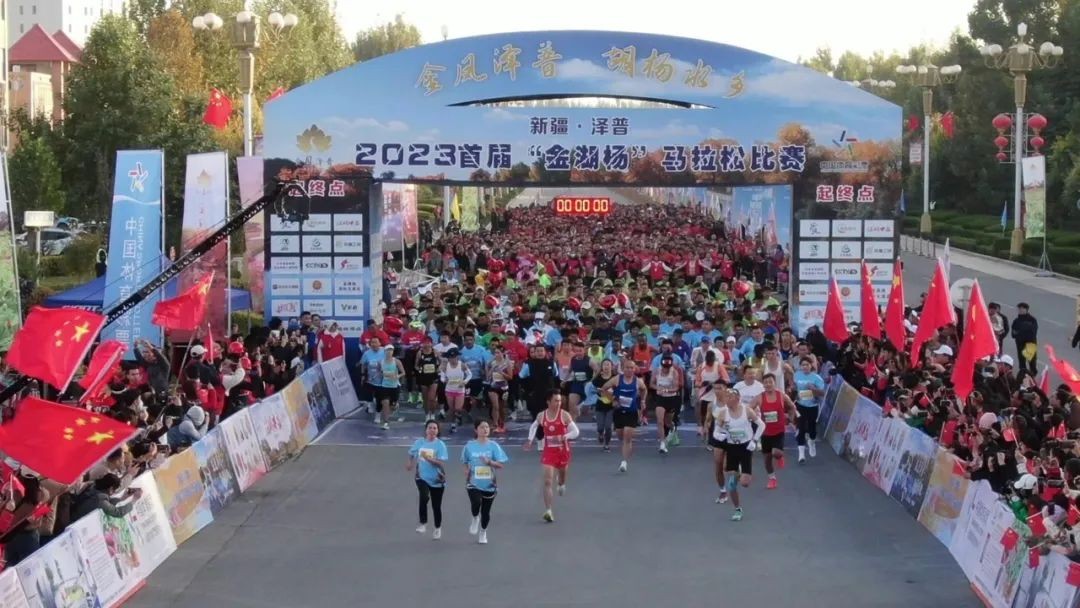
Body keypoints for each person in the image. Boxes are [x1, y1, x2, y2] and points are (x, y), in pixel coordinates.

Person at [526, 389, 581, 522]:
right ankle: (548, 511)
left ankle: (561, 484)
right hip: (549, 451)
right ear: (548, 402)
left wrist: (565, 436)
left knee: (561, 478)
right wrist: (530, 439)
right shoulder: (542, 415)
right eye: (556, 401)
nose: (559, 403)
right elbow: (533, 427)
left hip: (562, 451)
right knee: (547, 481)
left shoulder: (564, 415)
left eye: (560, 401)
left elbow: (576, 432)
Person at [713, 387, 765, 521]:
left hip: (745, 447)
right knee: (731, 484)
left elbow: (762, 425)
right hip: (731, 447)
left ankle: (742, 472)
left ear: (737, 399)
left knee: (745, 483)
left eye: (730, 397)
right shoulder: (723, 413)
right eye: (726, 397)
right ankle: (737, 509)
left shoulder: (747, 410)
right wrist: (718, 436)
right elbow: (715, 431)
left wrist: (754, 440)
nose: (727, 399)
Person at [461, 420, 509, 545]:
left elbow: (500, 465)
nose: (485, 429)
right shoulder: (469, 446)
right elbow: (464, 461)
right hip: (473, 482)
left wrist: (490, 462)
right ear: (476, 430)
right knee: (476, 502)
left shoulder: (494, 446)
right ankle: (475, 517)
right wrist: (466, 469)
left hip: (489, 484)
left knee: (486, 511)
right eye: (482, 427)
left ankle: (483, 532)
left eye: (487, 427)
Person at [752, 372, 798, 489]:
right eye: (765, 382)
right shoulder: (759, 397)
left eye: (770, 382)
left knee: (776, 453)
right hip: (765, 432)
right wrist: (754, 416)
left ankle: (780, 456)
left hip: (779, 431)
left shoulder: (781, 395)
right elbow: (748, 409)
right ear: (763, 384)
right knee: (767, 460)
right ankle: (772, 478)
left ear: (774, 383)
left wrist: (791, 418)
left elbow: (792, 406)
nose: (768, 384)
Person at [602, 357, 648, 473]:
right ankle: (627, 445)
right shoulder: (617, 379)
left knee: (627, 435)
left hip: (632, 411)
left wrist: (642, 401)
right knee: (620, 435)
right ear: (623, 369)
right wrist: (613, 400)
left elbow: (644, 389)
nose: (629, 370)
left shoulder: (638, 381)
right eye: (627, 368)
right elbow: (603, 389)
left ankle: (624, 462)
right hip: (619, 411)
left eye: (631, 368)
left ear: (634, 369)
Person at [408, 421, 448, 539]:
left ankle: (437, 528)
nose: (432, 430)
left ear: (438, 431)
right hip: (421, 476)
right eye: (430, 428)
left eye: (435, 428)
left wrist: (429, 459)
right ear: (426, 430)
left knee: (436, 505)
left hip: (437, 478)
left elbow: (441, 463)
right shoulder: (419, 442)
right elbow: (411, 453)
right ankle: (423, 523)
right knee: (424, 496)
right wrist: (410, 463)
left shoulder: (440, 445)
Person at [701, 384, 735, 503]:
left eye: (719, 388)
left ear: (725, 389)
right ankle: (723, 492)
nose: (717, 391)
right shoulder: (711, 405)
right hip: (717, 437)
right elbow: (708, 420)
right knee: (718, 466)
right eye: (715, 388)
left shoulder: (731, 403)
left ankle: (736, 472)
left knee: (726, 466)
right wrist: (705, 429)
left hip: (731, 437)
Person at [792, 356, 826, 463]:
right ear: (800, 366)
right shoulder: (797, 375)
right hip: (800, 405)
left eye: (807, 365)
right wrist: (795, 393)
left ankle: (812, 442)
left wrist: (813, 389)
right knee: (801, 428)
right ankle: (801, 454)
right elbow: (794, 388)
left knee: (812, 428)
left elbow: (823, 393)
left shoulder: (816, 378)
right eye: (803, 365)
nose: (805, 367)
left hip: (812, 406)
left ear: (811, 366)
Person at [650, 354, 684, 454]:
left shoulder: (674, 372)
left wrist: (666, 390)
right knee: (660, 421)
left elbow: (676, 387)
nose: (666, 370)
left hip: (671, 398)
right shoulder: (656, 371)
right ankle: (662, 442)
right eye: (664, 368)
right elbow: (651, 384)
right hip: (660, 398)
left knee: (668, 422)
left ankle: (672, 428)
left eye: (667, 368)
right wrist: (658, 388)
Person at [440, 347, 471, 433]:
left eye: (454, 357)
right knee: (451, 409)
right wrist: (444, 380)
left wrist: (464, 382)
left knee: (458, 408)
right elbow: (442, 377)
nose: (452, 359)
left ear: (457, 357)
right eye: (450, 357)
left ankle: (459, 415)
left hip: (460, 390)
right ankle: (453, 425)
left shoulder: (462, 365)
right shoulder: (445, 366)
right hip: (449, 390)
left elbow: (469, 375)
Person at [486, 345, 514, 433]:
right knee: (495, 406)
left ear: (503, 353)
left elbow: (510, 377)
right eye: (495, 353)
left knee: (501, 407)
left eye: (498, 353)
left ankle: (502, 423)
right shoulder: (492, 362)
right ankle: (495, 424)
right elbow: (487, 376)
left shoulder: (507, 363)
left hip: (503, 387)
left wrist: (501, 372)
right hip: (493, 386)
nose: (496, 355)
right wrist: (491, 370)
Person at [591, 359, 618, 451]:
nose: (606, 366)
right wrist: (598, 391)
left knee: (608, 427)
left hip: (611, 406)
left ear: (612, 366)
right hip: (600, 405)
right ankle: (600, 434)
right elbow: (592, 389)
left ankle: (607, 444)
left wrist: (615, 398)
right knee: (600, 427)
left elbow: (618, 390)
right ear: (602, 367)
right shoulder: (597, 379)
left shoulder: (615, 378)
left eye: (608, 364)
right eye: (604, 365)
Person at [377, 346, 406, 431]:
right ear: (384, 352)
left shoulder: (396, 361)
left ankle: (395, 405)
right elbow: (379, 372)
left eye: (391, 350)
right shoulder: (381, 362)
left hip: (394, 386)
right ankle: (386, 422)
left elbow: (403, 372)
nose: (389, 352)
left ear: (393, 352)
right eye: (387, 350)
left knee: (392, 406)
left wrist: (397, 376)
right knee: (385, 403)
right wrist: (381, 374)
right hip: (384, 386)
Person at [414, 338, 441, 422]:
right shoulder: (420, 353)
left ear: (431, 344)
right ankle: (427, 415)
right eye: (425, 343)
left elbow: (441, 362)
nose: (426, 345)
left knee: (432, 398)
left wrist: (439, 368)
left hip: (434, 377)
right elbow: (416, 365)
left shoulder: (435, 352)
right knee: (425, 398)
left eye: (428, 343)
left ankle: (432, 414)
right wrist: (419, 369)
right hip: (423, 377)